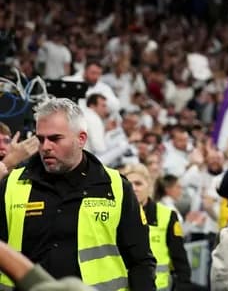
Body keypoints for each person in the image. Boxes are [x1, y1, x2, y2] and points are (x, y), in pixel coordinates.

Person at [0, 98, 157, 289]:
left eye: (55, 139)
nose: (45, 147)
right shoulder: (12, 184)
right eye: (40, 139)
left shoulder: (115, 187)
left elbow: (141, 261)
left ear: (81, 139)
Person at [120, 163, 193, 291]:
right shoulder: (116, 215)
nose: (134, 188)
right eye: (129, 184)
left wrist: (183, 286)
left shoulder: (167, 215)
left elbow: (180, 260)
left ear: (149, 186)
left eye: (138, 183)